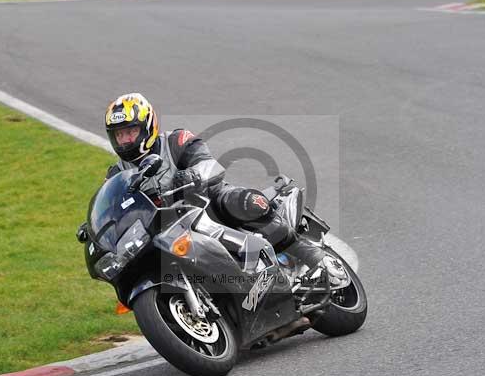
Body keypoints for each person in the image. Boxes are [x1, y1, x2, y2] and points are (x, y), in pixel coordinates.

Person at [102, 92, 347, 287]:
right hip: (167, 227)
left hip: (206, 202)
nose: (125, 140)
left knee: (245, 203)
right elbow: (114, 208)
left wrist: (193, 174)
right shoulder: (116, 173)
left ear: (147, 126)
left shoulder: (176, 141)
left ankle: (314, 257)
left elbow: (210, 164)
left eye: (130, 132)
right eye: (119, 135)